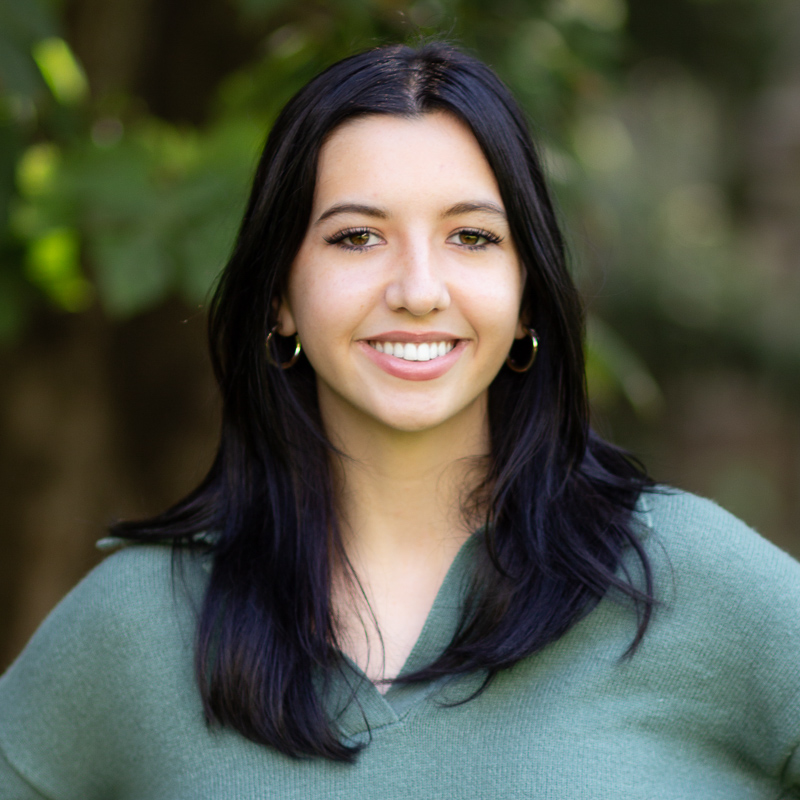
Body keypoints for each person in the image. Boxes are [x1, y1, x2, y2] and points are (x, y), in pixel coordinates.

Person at [1, 41, 799, 799]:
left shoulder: (684, 580)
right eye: (357, 237)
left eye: (471, 237)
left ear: (527, 291)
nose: (419, 288)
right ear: (279, 297)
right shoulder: (137, 622)